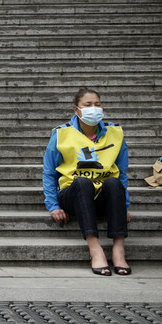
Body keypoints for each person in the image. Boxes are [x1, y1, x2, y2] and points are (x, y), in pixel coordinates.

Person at [42, 88, 131, 276]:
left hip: (104, 196)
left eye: (97, 104)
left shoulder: (115, 133)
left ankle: (118, 249)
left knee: (114, 183)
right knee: (82, 182)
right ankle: (95, 248)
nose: (94, 108)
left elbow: (122, 173)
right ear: (76, 110)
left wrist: (124, 206)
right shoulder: (61, 134)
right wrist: (53, 206)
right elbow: (49, 173)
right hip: (73, 194)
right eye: (88, 105)